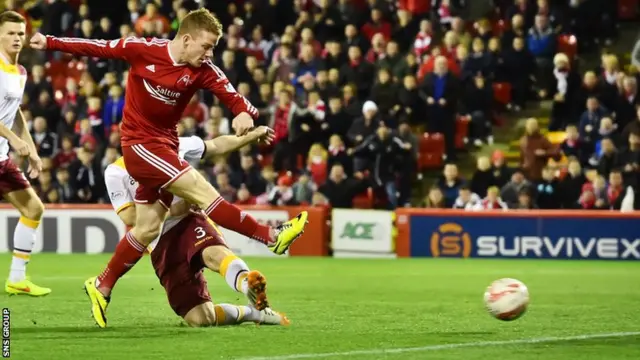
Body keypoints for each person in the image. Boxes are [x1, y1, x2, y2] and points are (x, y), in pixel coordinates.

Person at [30, 8, 308, 328]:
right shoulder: (143, 50)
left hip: (167, 146)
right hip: (139, 146)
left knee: (148, 228)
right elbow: (97, 46)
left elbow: (227, 90)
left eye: (214, 47)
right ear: (186, 39)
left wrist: (243, 112)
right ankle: (272, 237)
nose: (210, 53)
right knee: (204, 193)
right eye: (206, 46)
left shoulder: (202, 68)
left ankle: (102, 284)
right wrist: (49, 41)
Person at [104, 127, 289, 327]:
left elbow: (217, 145)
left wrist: (253, 135)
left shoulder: (175, 145)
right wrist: (173, 209)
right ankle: (255, 314)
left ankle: (248, 283)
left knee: (213, 254)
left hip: (189, 221)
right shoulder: (116, 171)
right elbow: (129, 216)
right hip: (159, 243)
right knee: (202, 319)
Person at [0, 11, 49, 296]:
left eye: (21, 33)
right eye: (10, 33)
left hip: (2, 159)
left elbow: (14, 110)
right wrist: (14, 140)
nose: (17, 38)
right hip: (4, 150)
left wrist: (30, 149)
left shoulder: (20, 72)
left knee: (33, 208)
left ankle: (17, 278)